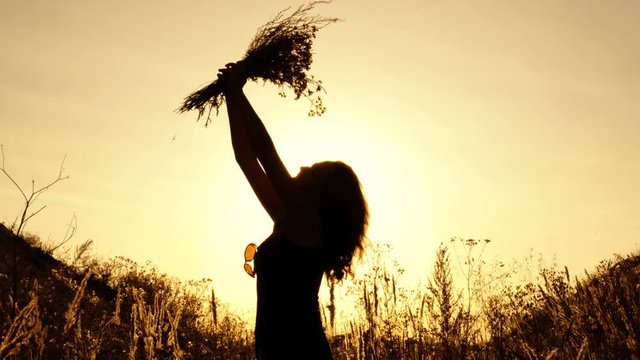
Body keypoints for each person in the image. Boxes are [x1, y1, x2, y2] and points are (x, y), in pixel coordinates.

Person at [217, 61, 369, 359]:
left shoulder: (310, 227)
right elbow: (246, 158)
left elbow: (265, 153)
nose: (301, 168)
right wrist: (230, 97)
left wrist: (238, 91)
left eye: (312, 171)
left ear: (323, 195)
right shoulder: (290, 223)